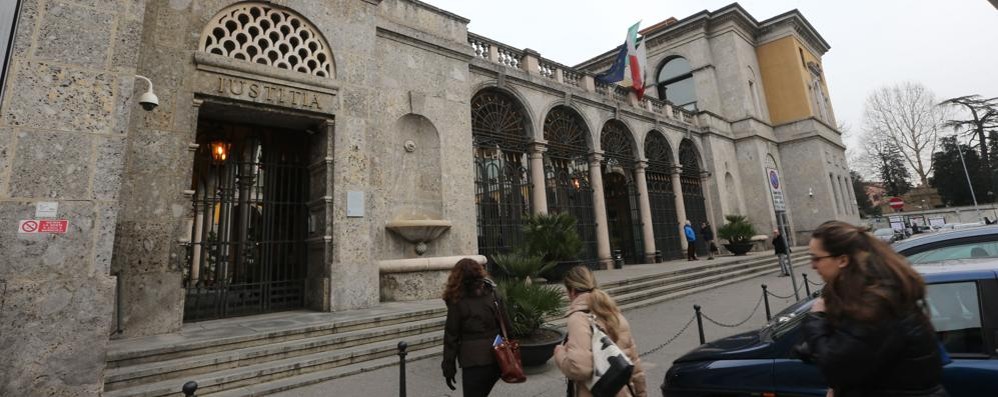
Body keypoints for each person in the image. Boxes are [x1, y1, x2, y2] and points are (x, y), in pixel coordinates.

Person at [795, 221, 947, 397]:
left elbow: (838, 368)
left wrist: (817, 317)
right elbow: (854, 353)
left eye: (817, 258)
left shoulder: (875, 303)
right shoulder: (864, 294)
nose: (812, 265)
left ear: (843, 260)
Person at [554, 266, 647, 397]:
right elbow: (634, 364)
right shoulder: (614, 314)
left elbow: (579, 368)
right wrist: (641, 393)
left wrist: (560, 354)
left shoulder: (578, 319)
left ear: (572, 291)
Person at [441, 258, 505, 397]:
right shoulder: (493, 294)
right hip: (497, 357)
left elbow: (451, 337)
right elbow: (506, 325)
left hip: (473, 361)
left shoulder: (457, 300)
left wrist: (448, 368)